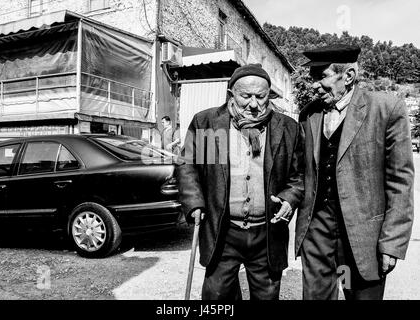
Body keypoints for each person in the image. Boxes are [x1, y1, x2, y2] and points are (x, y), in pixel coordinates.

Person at [177, 64, 304, 300]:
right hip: (223, 231)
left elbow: (299, 176)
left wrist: (289, 199)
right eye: (246, 96)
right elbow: (188, 166)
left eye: (261, 97)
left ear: (270, 96)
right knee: (216, 296)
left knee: (266, 296)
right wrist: (194, 202)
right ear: (231, 94)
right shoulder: (208, 123)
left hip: (267, 232)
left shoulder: (287, 128)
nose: (254, 105)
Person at [296, 44, 414, 300]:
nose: (314, 85)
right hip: (317, 232)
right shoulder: (309, 115)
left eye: (321, 76)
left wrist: (392, 242)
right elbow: (301, 172)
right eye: (312, 77)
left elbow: (400, 181)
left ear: (348, 76)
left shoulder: (386, 109)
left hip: (363, 236)